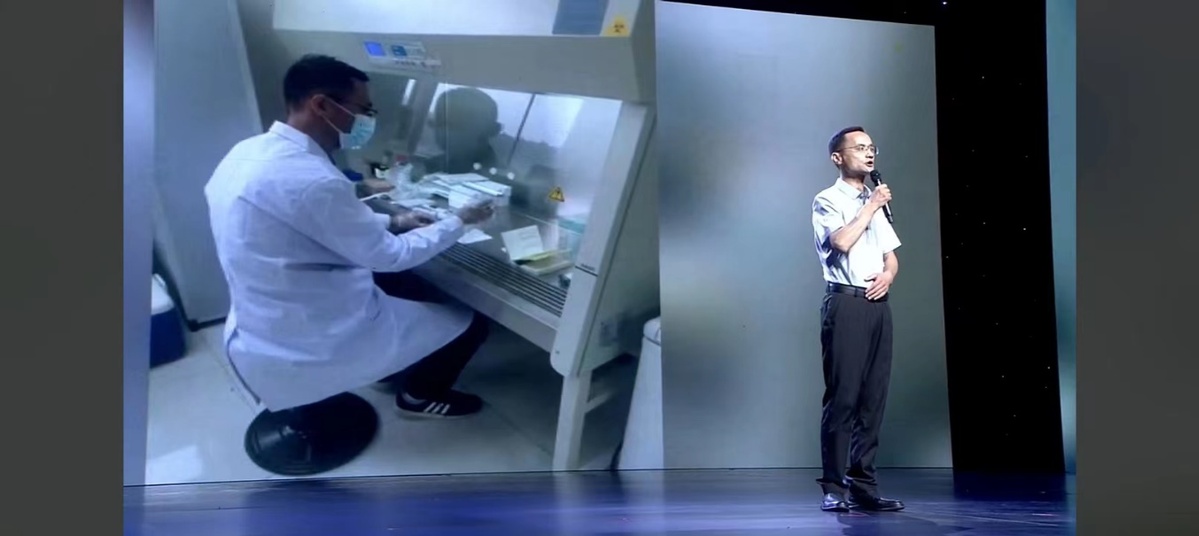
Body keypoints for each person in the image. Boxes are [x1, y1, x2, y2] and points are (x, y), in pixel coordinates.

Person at [205, 54, 496, 419]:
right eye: (364, 110)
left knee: (403, 287)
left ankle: (389, 370)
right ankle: (419, 397)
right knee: (470, 323)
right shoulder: (313, 178)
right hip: (316, 329)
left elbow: (306, 221)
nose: (367, 120)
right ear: (322, 105)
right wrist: (460, 221)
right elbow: (391, 257)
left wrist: (395, 220)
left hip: (264, 316)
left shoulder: (247, 152)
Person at [810, 126, 905, 512]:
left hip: (877, 306)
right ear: (838, 157)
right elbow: (841, 242)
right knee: (844, 397)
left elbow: (891, 256)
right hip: (846, 304)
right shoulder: (827, 199)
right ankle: (834, 488)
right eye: (860, 148)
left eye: (871, 148)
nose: (869, 154)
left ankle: (864, 486)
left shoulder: (872, 199)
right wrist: (871, 205)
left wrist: (888, 276)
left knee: (872, 399)